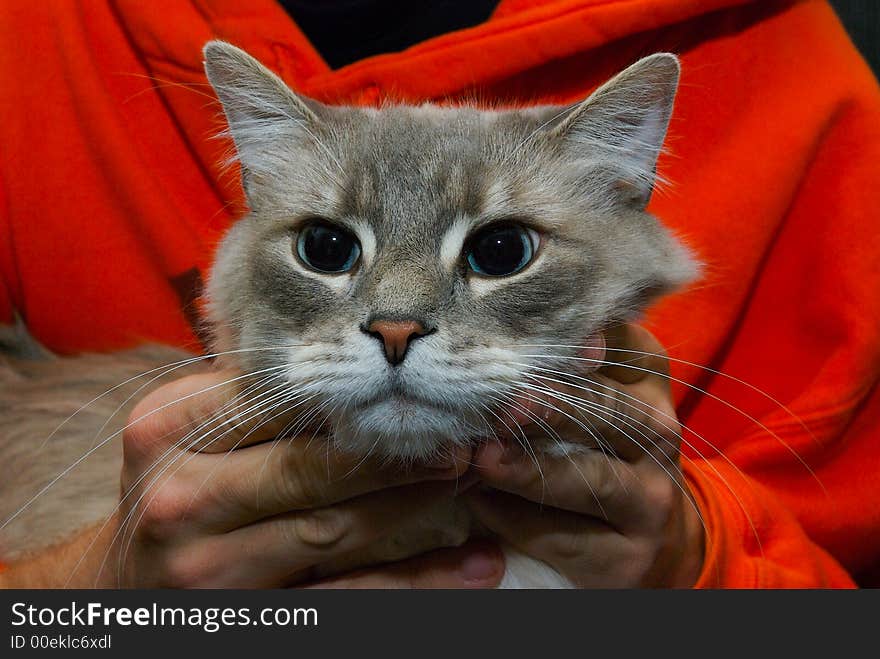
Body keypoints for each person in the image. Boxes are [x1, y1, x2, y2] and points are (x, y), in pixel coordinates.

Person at [1, 0, 878, 588]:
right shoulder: (33, 31)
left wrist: (699, 558)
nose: (397, 323)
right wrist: (99, 594)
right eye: (328, 245)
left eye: (498, 248)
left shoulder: (784, 64)